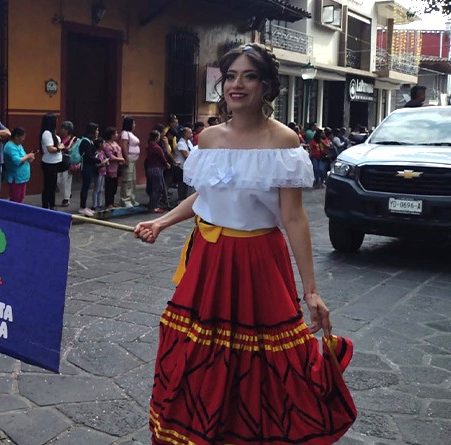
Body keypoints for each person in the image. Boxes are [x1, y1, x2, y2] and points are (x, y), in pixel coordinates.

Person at [134, 43, 355, 445]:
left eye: (248, 76)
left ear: (266, 85)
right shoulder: (209, 138)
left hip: (259, 261)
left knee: (265, 356)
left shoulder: (284, 141)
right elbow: (204, 197)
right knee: (199, 351)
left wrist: (311, 291)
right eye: (231, 76)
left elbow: (293, 218)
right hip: (208, 259)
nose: (237, 84)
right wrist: (162, 221)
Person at [3, 127, 34, 203]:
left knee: (20, 197)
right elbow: (17, 161)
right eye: (22, 137)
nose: (23, 139)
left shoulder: (19, 145)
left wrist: (29, 158)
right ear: (16, 136)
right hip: (15, 177)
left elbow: (23, 157)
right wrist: (28, 156)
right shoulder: (10, 146)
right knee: (15, 198)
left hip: (22, 177)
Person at [77, 122, 102, 216]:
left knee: (87, 187)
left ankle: (84, 206)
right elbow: (88, 157)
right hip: (86, 167)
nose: (98, 132)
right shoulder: (85, 141)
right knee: (85, 187)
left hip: (89, 167)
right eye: (96, 130)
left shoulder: (90, 141)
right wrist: (98, 160)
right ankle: (82, 207)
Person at [39, 113, 64, 209]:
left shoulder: (52, 133)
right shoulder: (47, 133)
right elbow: (50, 149)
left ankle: (51, 205)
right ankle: (46, 205)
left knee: (52, 186)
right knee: (49, 186)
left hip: (54, 162)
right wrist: (59, 147)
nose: (57, 121)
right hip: (49, 163)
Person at [144, 129, 171, 213]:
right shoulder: (156, 147)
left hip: (150, 168)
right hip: (156, 168)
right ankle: (154, 206)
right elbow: (162, 158)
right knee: (157, 188)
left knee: (154, 187)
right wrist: (167, 164)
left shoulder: (149, 146)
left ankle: (152, 204)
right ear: (156, 137)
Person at [118, 116, 141, 207]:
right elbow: (124, 146)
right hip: (129, 158)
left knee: (132, 179)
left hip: (134, 158)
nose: (134, 125)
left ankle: (132, 198)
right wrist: (126, 158)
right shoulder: (125, 133)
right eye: (133, 123)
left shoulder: (130, 133)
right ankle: (125, 199)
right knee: (127, 179)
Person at [101, 127, 125, 209]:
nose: (117, 135)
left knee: (114, 186)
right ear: (111, 135)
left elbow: (119, 152)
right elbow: (111, 157)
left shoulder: (115, 143)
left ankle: (112, 201)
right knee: (109, 186)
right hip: (110, 168)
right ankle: (108, 203)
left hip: (117, 168)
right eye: (115, 133)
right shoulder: (107, 145)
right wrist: (121, 159)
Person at [56, 121, 76, 207]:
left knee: (67, 180)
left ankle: (66, 198)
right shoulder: (60, 139)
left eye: (63, 129)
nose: (61, 130)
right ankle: (67, 194)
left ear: (68, 130)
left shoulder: (73, 140)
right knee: (58, 180)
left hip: (68, 161)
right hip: (60, 161)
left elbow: (74, 152)